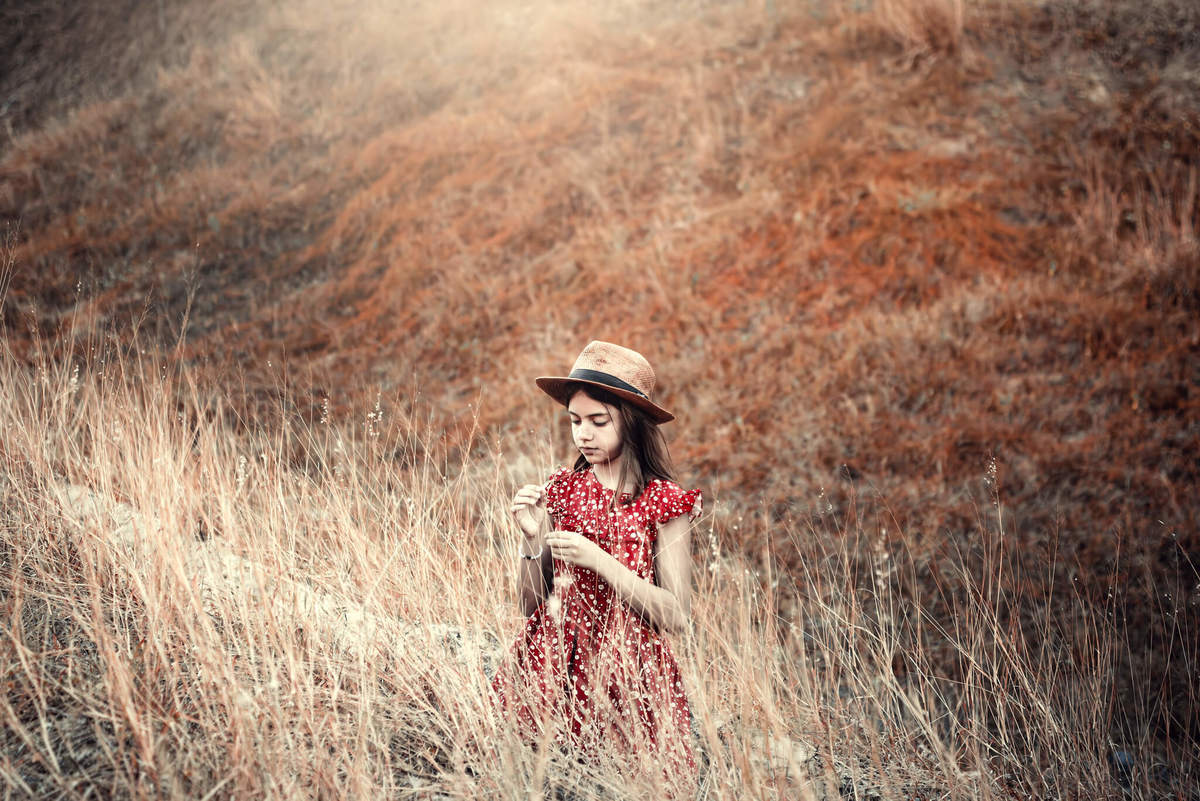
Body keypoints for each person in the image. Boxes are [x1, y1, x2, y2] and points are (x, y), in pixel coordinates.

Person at [490, 341, 702, 785]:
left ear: (630, 421)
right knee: (543, 783)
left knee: (625, 785)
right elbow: (531, 604)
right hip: (551, 662)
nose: (583, 434)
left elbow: (677, 615)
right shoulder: (565, 489)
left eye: (597, 421)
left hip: (630, 671)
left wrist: (602, 561)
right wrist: (531, 540)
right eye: (574, 421)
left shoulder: (663, 502)